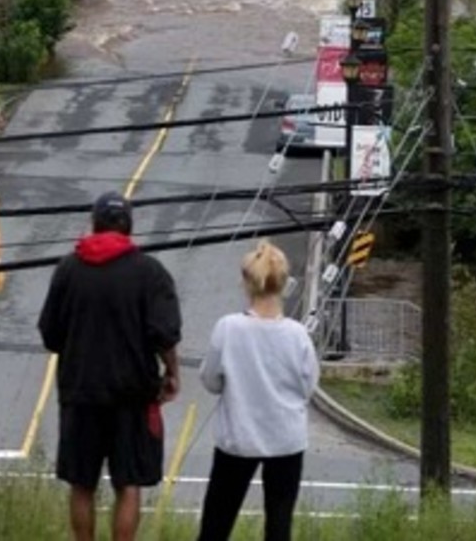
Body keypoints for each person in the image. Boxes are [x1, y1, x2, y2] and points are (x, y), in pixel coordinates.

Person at [38, 190, 182, 541]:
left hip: (80, 391)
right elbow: (164, 335)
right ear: (128, 227)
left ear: (94, 224)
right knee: (128, 483)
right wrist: (172, 373)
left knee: (82, 484)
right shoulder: (150, 272)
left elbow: (50, 334)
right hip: (132, 395)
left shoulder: (68, 270)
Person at [197, 240, 320, 541]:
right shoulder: (297, 335)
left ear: (247, 282)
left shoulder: (228, 328)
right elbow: (308, 386)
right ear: (284, 284)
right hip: (286, 440)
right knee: (279, 526)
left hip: (238, 438)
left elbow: (210, 380)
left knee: (216, 523)